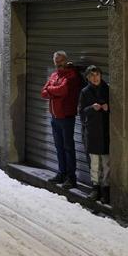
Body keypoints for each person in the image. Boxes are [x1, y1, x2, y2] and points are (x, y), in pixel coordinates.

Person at [41, 50, 84, 189]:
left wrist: (51, 91)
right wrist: (54, 90)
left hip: (66, 117)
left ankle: (71, 178)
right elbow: (43, 92)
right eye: (56, 61)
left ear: (66, 60)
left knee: (68, 148)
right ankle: (62, 173)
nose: (59, 63)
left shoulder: (72, 75)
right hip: (54, 117)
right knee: (59, 147)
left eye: (61, 60)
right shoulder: (54, 75)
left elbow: (63, 90)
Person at [79, 65, 110, 203]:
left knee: (107, 162)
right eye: (92, 75)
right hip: (92, 131)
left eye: (97, 74)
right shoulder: (85, 92)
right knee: (95, 163)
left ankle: (106, 189)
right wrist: (92, 108)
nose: (95, 78)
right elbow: (81, 112)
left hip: (106, 130)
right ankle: (95, 188)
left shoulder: (108, 89)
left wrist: (108, 108)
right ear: (87, 78)